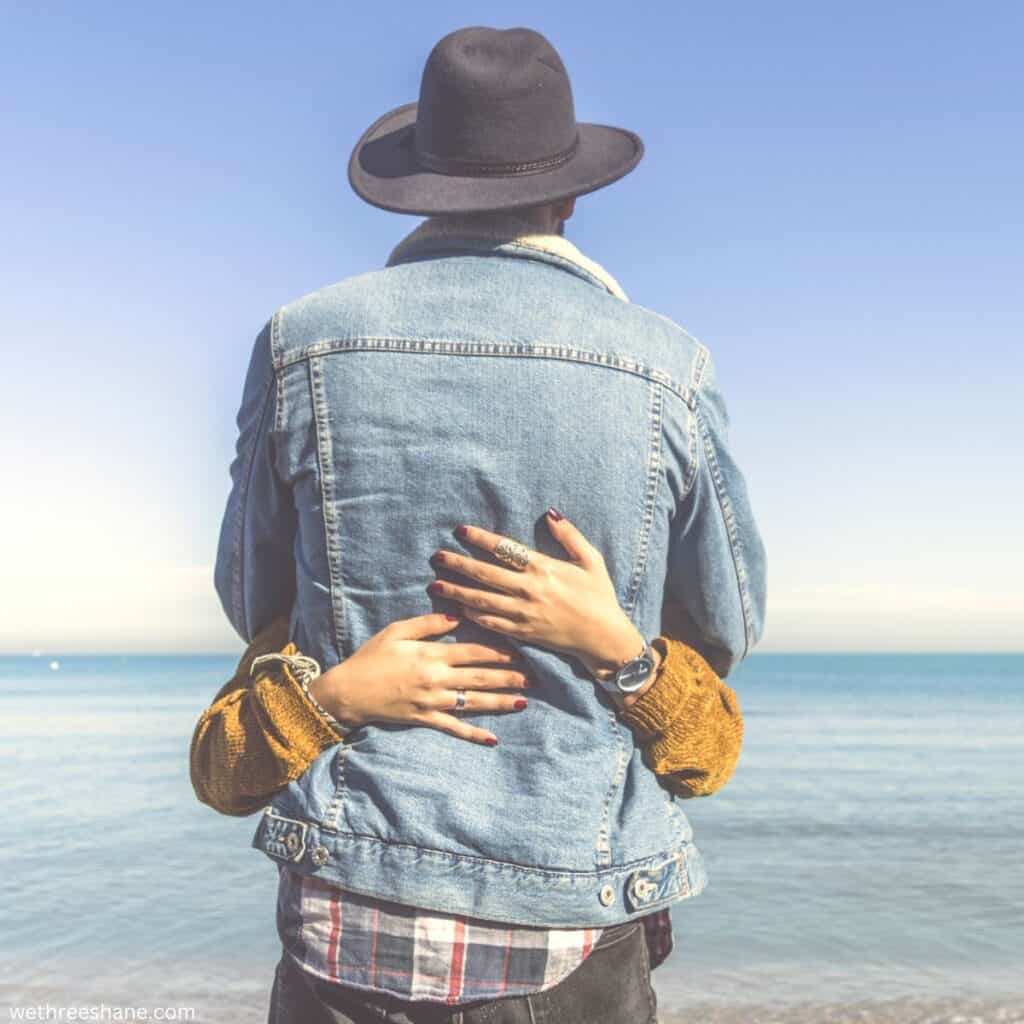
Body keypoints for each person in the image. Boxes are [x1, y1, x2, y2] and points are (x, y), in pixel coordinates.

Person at [211, 25, 766, 1024]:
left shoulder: (302, 340)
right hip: (577, 917)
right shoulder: (666, 364)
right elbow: (723, 628)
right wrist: (609, 640)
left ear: (421, 183)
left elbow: (253, 601)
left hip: (353, 903)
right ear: (569, 192)